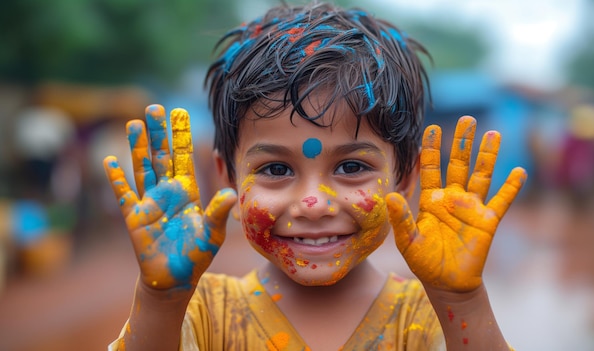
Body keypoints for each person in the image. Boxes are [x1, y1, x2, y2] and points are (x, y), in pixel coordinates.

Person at [105, 2, 526, 350]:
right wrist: (160, 299)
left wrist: (462, 301)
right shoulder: (202, 315)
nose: (314, 204)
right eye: (275, 169)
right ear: (227, 180)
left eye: (351, 167)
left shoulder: (431, 321)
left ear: (404, 178)